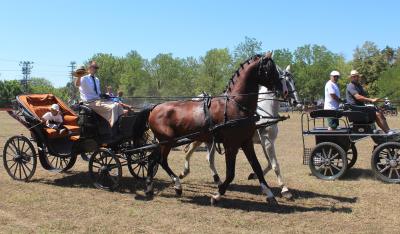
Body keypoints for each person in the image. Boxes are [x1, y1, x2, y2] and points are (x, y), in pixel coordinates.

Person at [74, 61, 125, 127]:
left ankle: (121, 126)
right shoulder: (83, 78)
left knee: (118, 105)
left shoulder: (97, 79)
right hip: (89, 102)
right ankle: (112, 128)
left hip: (98, 101)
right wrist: (79, 76)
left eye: (96, 68)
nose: (96, 69)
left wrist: (103, 95)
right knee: (112, 107)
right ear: (89, 67)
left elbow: (98, 92)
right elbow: (77, 84)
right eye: (94, 67)